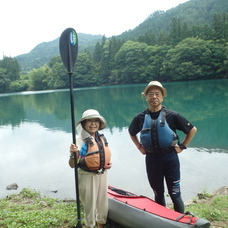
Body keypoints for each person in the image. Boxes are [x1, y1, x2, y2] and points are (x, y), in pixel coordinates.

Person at [128, 81, 197, 213]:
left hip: (170, 158)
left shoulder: (172, 115)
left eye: (157, 94)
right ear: (146, 97)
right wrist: (139, 147)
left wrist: (182, 146)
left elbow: (192, 130)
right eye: (151, 94)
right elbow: (132, 133)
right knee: (158, 193)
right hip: (152, 159)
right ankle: (163, 221)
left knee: (175, 193)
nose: (154, 97)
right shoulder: (140, 117)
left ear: (162, 97)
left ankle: (180, 222)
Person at [69, 109, 112, 228]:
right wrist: (73, 154)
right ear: (83, 124)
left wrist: (107, 164)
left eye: (95, 121)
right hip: (86, 176)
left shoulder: (101, 138)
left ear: (99, 123)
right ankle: (89, 225)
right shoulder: (77, 141)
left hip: (102, 175)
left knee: (103, 204)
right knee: (90, 206)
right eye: (89, 121)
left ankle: (101, 225)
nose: (93, 124)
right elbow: (72, 164)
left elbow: (101, 156)